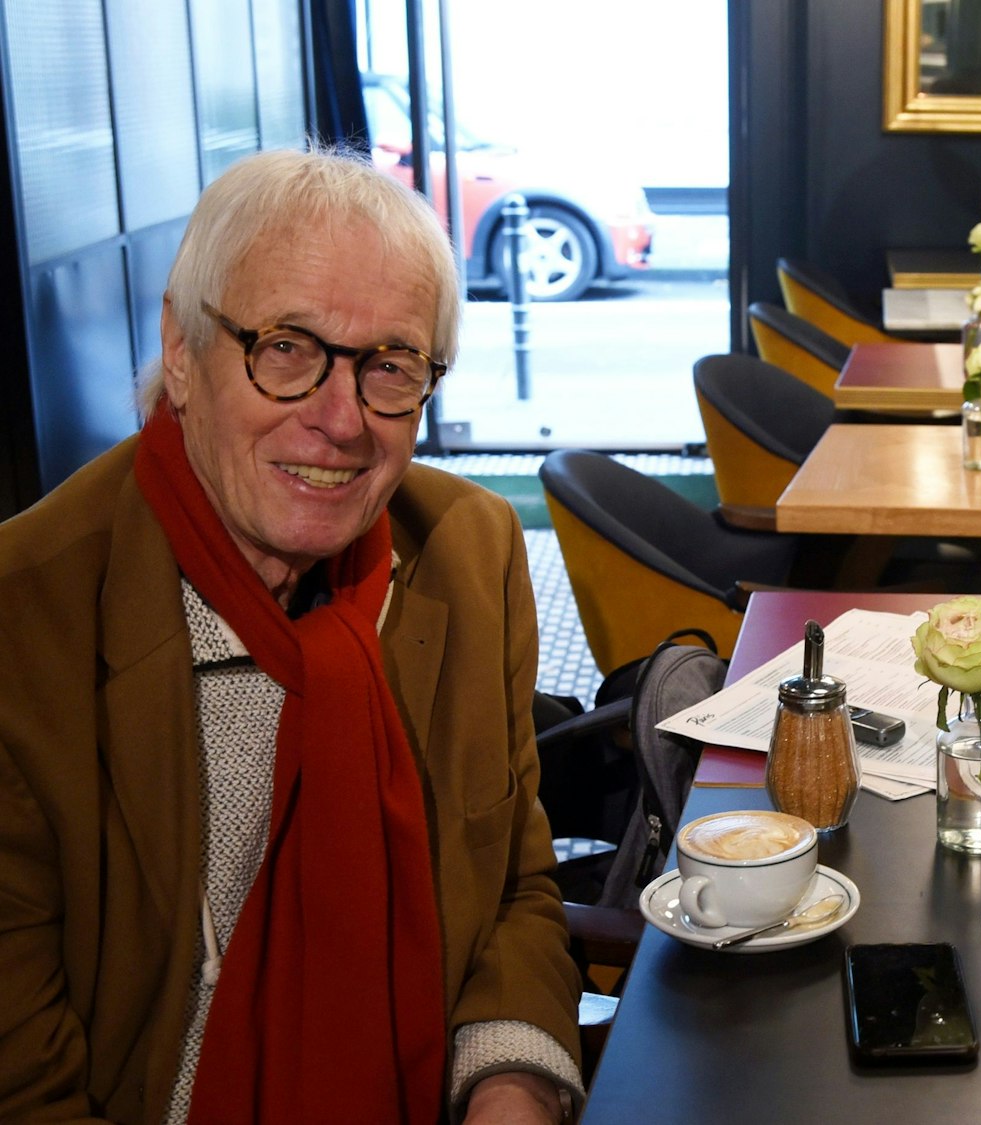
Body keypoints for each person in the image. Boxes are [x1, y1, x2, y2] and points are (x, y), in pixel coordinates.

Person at [0, 148, 582, 1123]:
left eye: (389, 364)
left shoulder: (467, 555)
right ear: (182, 351)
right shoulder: (25, 622)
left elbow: (514, 892)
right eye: (286, 348)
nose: (340, 419)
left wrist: (508, 1090)